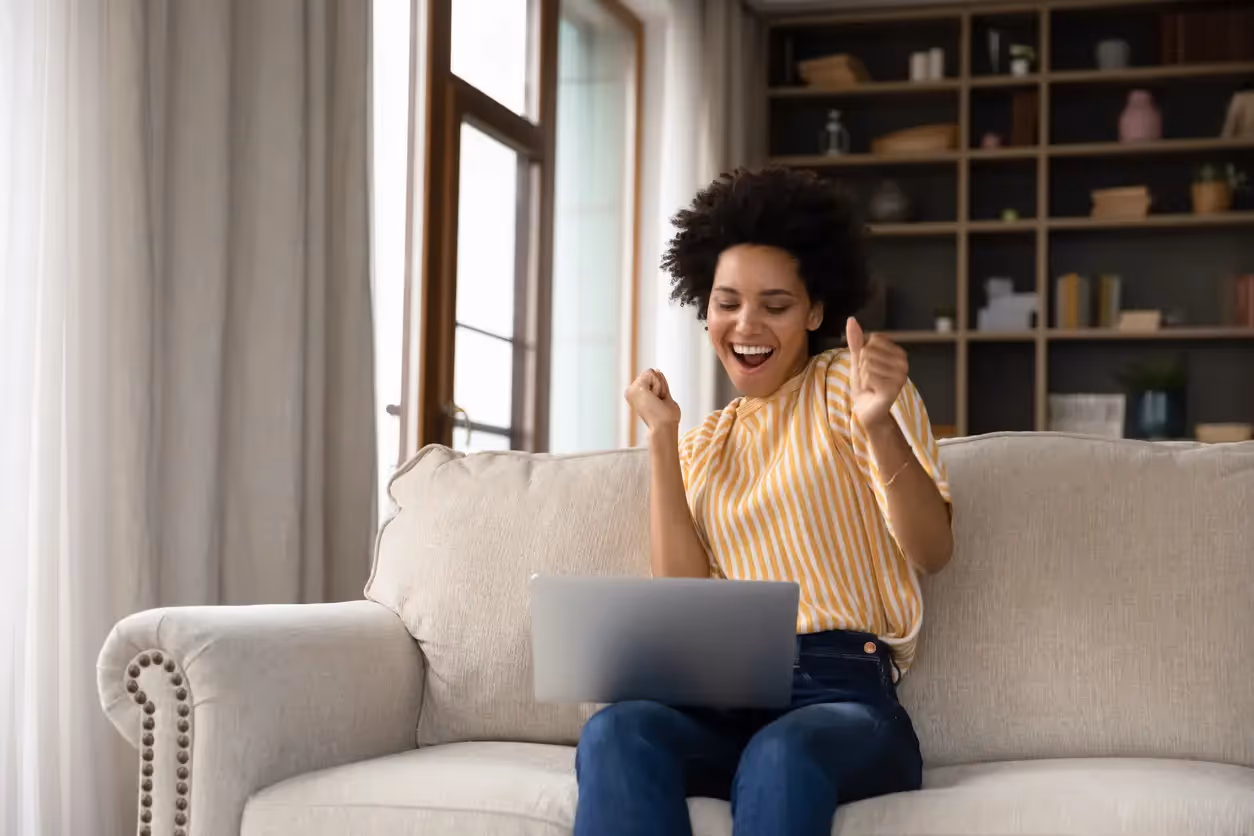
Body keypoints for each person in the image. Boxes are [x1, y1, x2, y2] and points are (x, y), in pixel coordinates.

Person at [573, 167, 955, 836]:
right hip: (724, 698)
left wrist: (878, 424)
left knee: (781, 753)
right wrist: (663, 439)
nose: (746, 325)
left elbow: (933, 549)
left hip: (842, 697)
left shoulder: (848, 386)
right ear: (705, 307)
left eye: (775, 305)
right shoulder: (706, 443)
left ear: (814, 311)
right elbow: (683, 599)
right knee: (616, 731)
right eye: (727, 302)